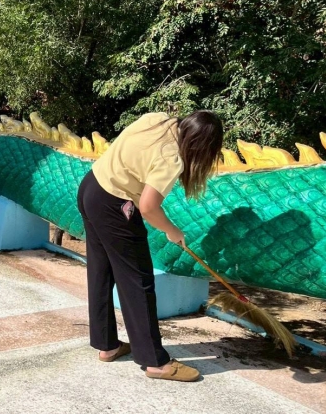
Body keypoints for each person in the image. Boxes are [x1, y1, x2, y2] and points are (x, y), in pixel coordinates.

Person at [77, 110, 223, 382]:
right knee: (138, 281)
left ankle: (107, 345)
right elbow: (147, 207)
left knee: (101, 272)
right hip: (115, 203)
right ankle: (155, 362)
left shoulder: (157, 120)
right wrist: (172, 230)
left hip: (91, 187)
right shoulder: (172, 158)